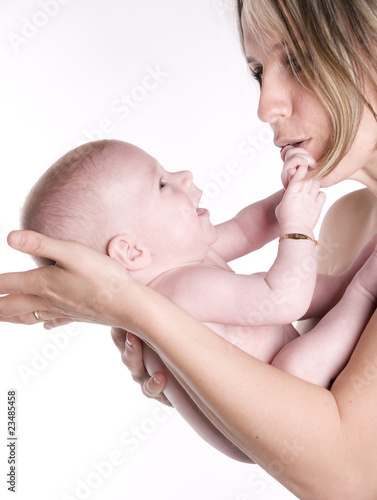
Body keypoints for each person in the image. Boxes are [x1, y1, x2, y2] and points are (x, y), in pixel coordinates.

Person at [2, 0, 377, 497]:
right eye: (258, 71)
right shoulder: (349, 222)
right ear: (131, 252)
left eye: (299, 61)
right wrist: (201, 373)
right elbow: (318, 427)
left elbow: (347, 474)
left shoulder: (189, 266)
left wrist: (137, 311)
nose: (265, 106)